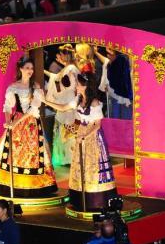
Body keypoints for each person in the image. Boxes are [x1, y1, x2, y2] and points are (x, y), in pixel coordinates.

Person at [43, 73, 117, 211]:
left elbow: (97, 125)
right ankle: (80, 198)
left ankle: (96, 200)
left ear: (85, 86)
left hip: (92, 137)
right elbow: (63, 107)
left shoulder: (94, 102)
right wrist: (45, 101)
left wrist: (85, 136)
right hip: (81, 134)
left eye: (78, 84)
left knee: (93, 167)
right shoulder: (78, 99)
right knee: (79, 167)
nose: (76, 86)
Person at [0, 56, 57, 197]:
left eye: (31, 68)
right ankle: (13, 184)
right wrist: (8, 121)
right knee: (14, 152)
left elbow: (33, 109)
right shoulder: (13, 87)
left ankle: (35, 185)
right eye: (27, 68)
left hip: (31, 123)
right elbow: (8, 106)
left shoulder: (36, 87)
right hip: (17, 122)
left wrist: (15, 123)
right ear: (20, 69)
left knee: (33, 153)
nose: (30, 71)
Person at [45, 44, 79, 166]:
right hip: (66, 101)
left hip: (69, 102)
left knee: (69, 131)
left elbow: (68, 85)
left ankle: (70, 158)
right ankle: (66, 158)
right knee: (64, 130)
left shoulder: (70, 69)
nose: (58, 57)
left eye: (60, 54)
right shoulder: (69, 68)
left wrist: (56, 80)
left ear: (65, 55)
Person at [95, 47, 133, 119]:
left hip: (123, 97)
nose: (108, 55)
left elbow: (126, 79)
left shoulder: (122, 61)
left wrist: (127, 98)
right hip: (113, 95)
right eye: (107, 53)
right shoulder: (108, 62)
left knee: (125, 118)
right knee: (114, 117)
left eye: (110, 51)